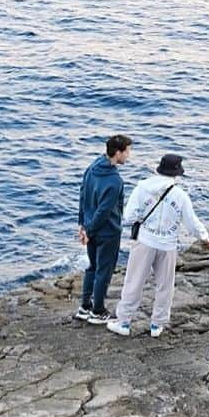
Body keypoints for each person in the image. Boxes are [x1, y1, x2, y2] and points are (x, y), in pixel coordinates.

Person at [107, 152, 209, 338]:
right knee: (165, 286)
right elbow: (191, 222)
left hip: (145, 241)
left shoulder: (142, 187)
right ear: (177, 173)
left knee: (134, 282)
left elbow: (129, 216)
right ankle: (157, 325)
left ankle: (123, 322)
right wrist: (204, 237)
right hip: (168, 244)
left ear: (159, 168)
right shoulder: (180, 195)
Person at [76, 133, 133, 324]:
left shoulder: (92, 168)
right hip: (107, 232)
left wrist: (82, 226)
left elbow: (83, 196)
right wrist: (89, 230)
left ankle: (85, 307)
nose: (129, 156)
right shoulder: (115, 181)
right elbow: (104, 212)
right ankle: (98, 311)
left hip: (90, 228)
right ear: (118, 153)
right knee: (104, 271)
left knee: (92, 267)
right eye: (127, 151)